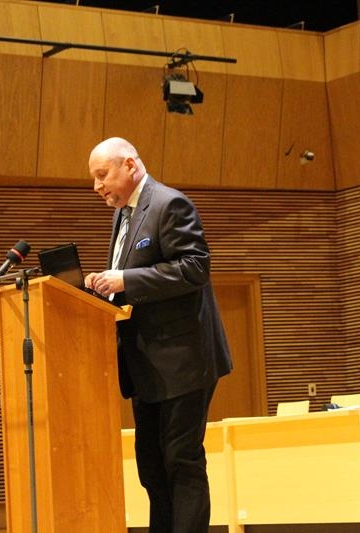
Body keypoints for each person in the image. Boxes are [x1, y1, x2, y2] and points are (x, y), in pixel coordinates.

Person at [84, 137, 232, 532]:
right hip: (146, 363)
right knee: (151, 465)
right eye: (94, 179)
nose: (97, 186)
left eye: (103, 175)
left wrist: (125, 280)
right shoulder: (123, 214)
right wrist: (103, 286)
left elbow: (195, 267)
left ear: (130, 165)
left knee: (181, 461)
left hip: (183, 360)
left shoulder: (169, 204)